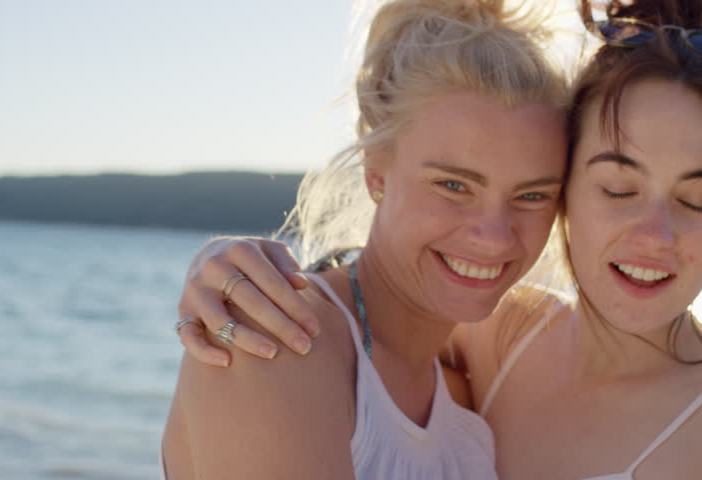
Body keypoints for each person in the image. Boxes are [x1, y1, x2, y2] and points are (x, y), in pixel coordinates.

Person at [173, 0, 702, 478]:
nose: (655, 235)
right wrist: (234, 267)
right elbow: (368, 310)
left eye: (696, 200)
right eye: (616, 188)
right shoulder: (497, 342)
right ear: (570, 194)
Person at [161, 0, 570, 478]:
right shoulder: (274, 338)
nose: (494, 237)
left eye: (532, 195)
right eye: (453, 185)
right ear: (376, 171)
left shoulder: (469, 400)